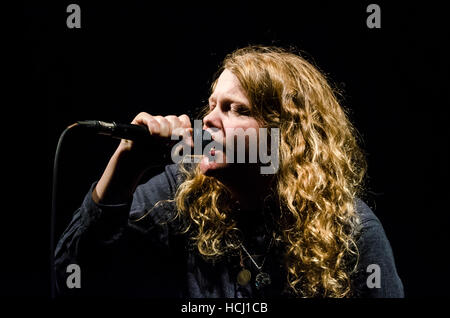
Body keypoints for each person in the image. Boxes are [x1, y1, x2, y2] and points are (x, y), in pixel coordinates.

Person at [54, 46, 404, 298]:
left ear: (287, 135)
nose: (208, 120)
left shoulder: (350, 231)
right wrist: (124, 172)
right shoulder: (181, 191)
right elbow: (75, 276)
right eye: (211, 105)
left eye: (236, 109)